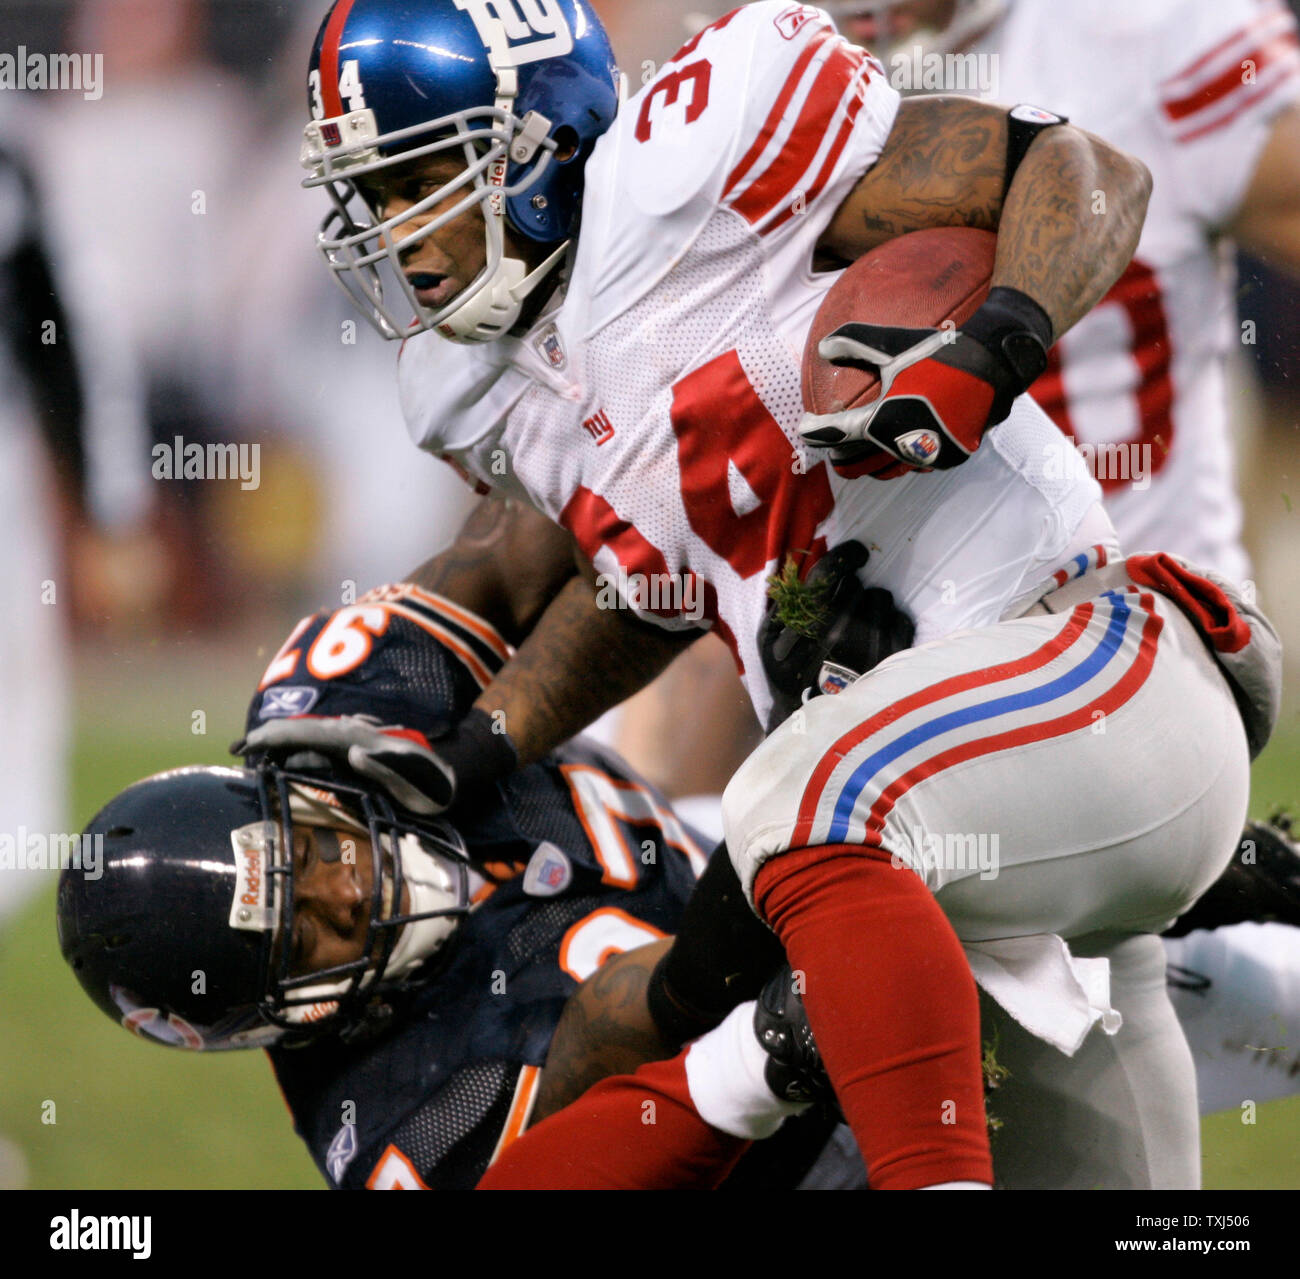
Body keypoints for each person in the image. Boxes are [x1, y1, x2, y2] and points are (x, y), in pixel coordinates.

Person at [283, 0, 1283, 1189]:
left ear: (533, 141)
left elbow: (1086, 169)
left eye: (422, 179)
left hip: (1068, 649)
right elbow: (651, 579)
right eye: (374, 198)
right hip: (954, 858)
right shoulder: (476, 388)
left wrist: (995, 343)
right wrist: (490, 745)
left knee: (792, 804)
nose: (402, 235)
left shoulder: (692, 164)